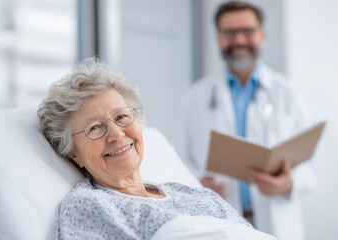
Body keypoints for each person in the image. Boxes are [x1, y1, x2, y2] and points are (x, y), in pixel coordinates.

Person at [37, 58, 276, 240]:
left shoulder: (195, 193)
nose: (116, 134)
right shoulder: (88, 205)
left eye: (121, 117)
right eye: (95, 128)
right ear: (73, 153)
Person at [177, 1, 316, 240]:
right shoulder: (194, 98)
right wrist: (196, 184)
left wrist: (288, 184)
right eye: (229, 32)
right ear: (218, 37)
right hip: (218, 223)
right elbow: (179, 162)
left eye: (247, 31)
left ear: (261, 35)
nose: (239, 40)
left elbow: (312, 168)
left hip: (276, 223)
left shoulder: (289, 95)